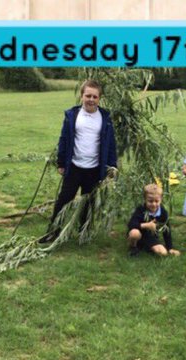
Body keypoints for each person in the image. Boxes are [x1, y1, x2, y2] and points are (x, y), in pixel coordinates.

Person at [43, 79, 118, 240]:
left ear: (99, 98)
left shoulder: (105, 118)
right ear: (81, 96)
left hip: (94, 168)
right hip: (74, 166)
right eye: (88, 95)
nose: (91, 99)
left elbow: (111, 143)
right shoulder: (72, 115)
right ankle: (53, 232)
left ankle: (83, 232)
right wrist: (61, 162)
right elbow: (64, 139)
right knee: (64, 199)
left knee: (88, 202)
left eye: (95, 97)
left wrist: (112, 166)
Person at [127, 183, 179, 258]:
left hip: (150, 237)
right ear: (145, 199)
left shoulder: (163, 212)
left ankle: (146, 247)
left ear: (161, 200)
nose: (154, 204)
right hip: (139, 234)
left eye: (156, 201)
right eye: (150, 201)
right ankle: (133, 247)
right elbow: (131, 224)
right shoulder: (141, 209)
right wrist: (146, 225)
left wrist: (170, 248)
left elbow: (166, 230)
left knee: (163, 253)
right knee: (134, 233)